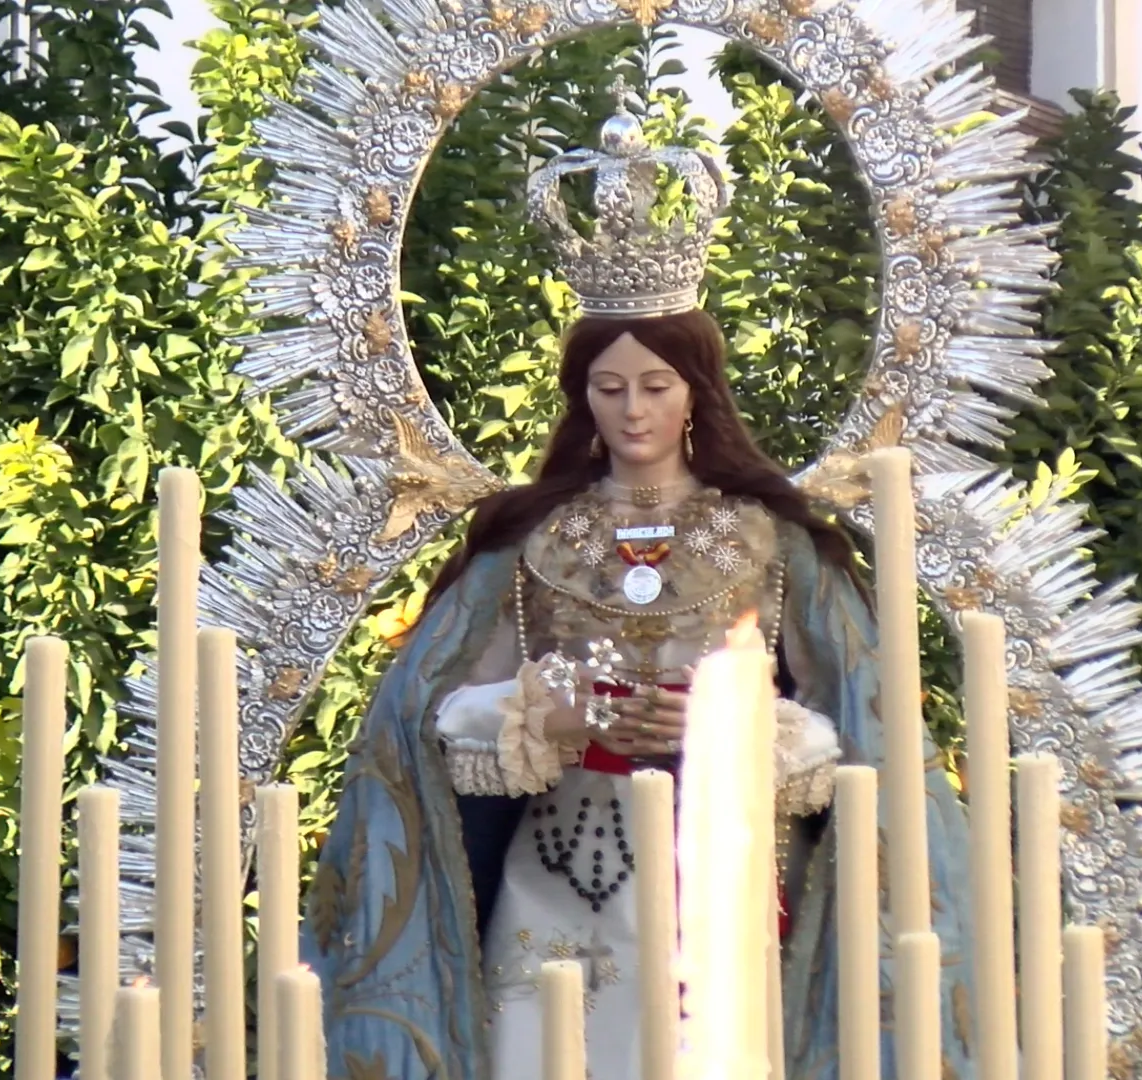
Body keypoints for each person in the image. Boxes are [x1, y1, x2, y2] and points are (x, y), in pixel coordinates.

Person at [299, 107, 977, 1080]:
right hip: (564, 879)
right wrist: (534, 715)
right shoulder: (532, 540)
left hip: (729, 871)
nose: (632, 410)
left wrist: (739, 728)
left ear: (696, 388)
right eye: (609, 388)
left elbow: (863, 730)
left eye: (654, 385)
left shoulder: (768, 537)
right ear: (582, 396)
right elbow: (434, 713)